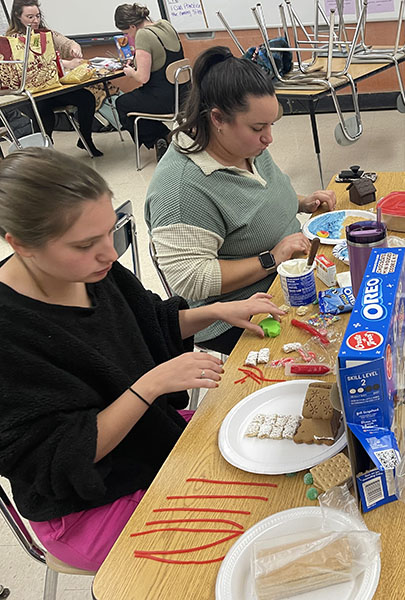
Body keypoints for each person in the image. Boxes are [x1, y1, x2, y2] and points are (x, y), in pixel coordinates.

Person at [0, 148, 286, 570]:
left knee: (275, 475)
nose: (109, 254)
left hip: (151, 440)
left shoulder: (93, 271)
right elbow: (59, 459)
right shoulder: (11, 333)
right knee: (244, 551)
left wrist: (215, 312)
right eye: (84, 244)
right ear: (21, 245)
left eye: (109, 233)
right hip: (89, 503)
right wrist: (150, 384)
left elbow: (150, 321)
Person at [145, 46, 337, 355]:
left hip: (291, 273)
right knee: (331, 350)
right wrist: (270, 259)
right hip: (237, 312)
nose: (268, 138)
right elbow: (190, 280)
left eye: (271, 124)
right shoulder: (181, 188)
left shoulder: (244, 145)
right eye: (259, 127)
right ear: (218, 118)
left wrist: (302, 202)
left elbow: (258, 194)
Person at [6, 0, 103, 156]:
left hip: (51, 88)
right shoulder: (12, 39)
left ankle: (86, 140)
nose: (35, 20)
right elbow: (35, 62)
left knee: (87, 98)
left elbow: (65, 43)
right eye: (30, 17)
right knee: (44, 114)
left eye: (37, 16)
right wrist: (67, 63)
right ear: (18, 17)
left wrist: (74, 48)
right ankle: (45, 154)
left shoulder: (46, 33)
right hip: (30, 94)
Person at [113, 3, 186, 156]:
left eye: (126, 32)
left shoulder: (143, 35)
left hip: (164, 99)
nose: (128, 37)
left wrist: (130, 71)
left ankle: (160, 137)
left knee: (122, 104)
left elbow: (143, 77)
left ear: (132, 26)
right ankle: (164, 137)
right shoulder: (165, 25)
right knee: (136, 102)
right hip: (184, 94)